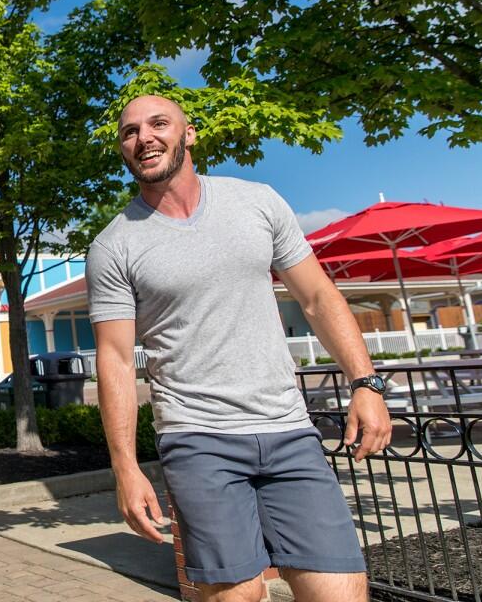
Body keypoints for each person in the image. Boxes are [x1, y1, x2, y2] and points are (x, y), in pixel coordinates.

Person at [87, 95, 392, 602]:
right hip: (198, 438)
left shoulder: (257, 202)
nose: (144, 137)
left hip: (289, 430)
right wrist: (125, 466)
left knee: (341, 591)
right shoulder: (114, 245)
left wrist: (366, 383)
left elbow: (317, 298)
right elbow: (115, 359)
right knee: (237, 596)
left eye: (158, 124)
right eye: (129, 131)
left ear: (189, 133)